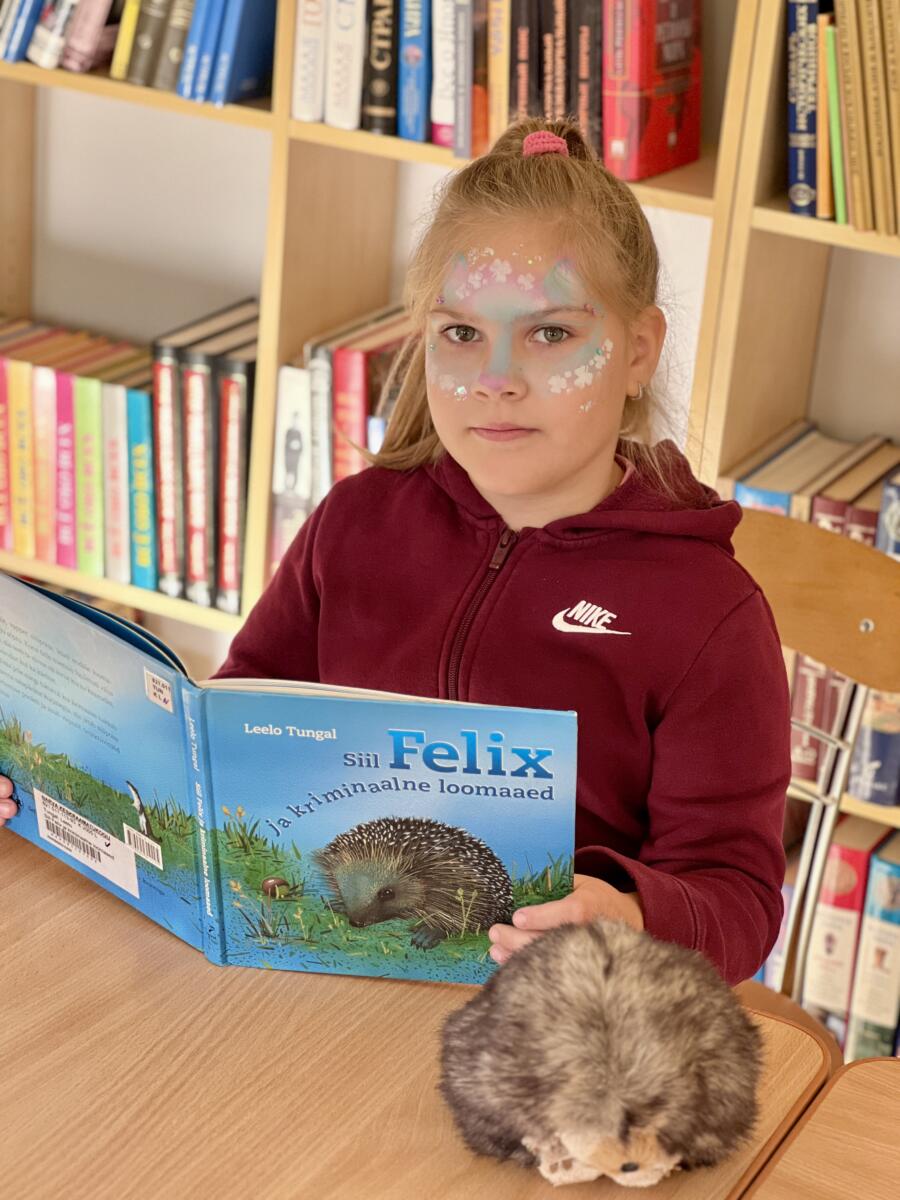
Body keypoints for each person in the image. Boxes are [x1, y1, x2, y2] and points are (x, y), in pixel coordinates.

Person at [0, 118, 791, 987]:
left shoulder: (707, 614)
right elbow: (231, 727)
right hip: (319, 982)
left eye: (551, 334)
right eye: (461, 334)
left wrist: (632, 917)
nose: (496, 378)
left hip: (554, 1014)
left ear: (638, 351)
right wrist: (41, 784)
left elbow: (739, 900)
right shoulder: (356, 522)